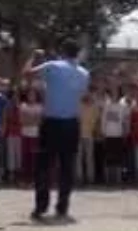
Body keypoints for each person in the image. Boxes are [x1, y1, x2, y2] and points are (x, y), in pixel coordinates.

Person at [21, 39, 90, 221]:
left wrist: (33, 57)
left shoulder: (53, 65)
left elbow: (26, 74)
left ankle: (41, 207)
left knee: (44, 166)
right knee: (67, 168)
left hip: (52, 123)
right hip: (72, 123)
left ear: (62, 51)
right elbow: (80, 95)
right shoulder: (84, 73)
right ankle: (62, 207)